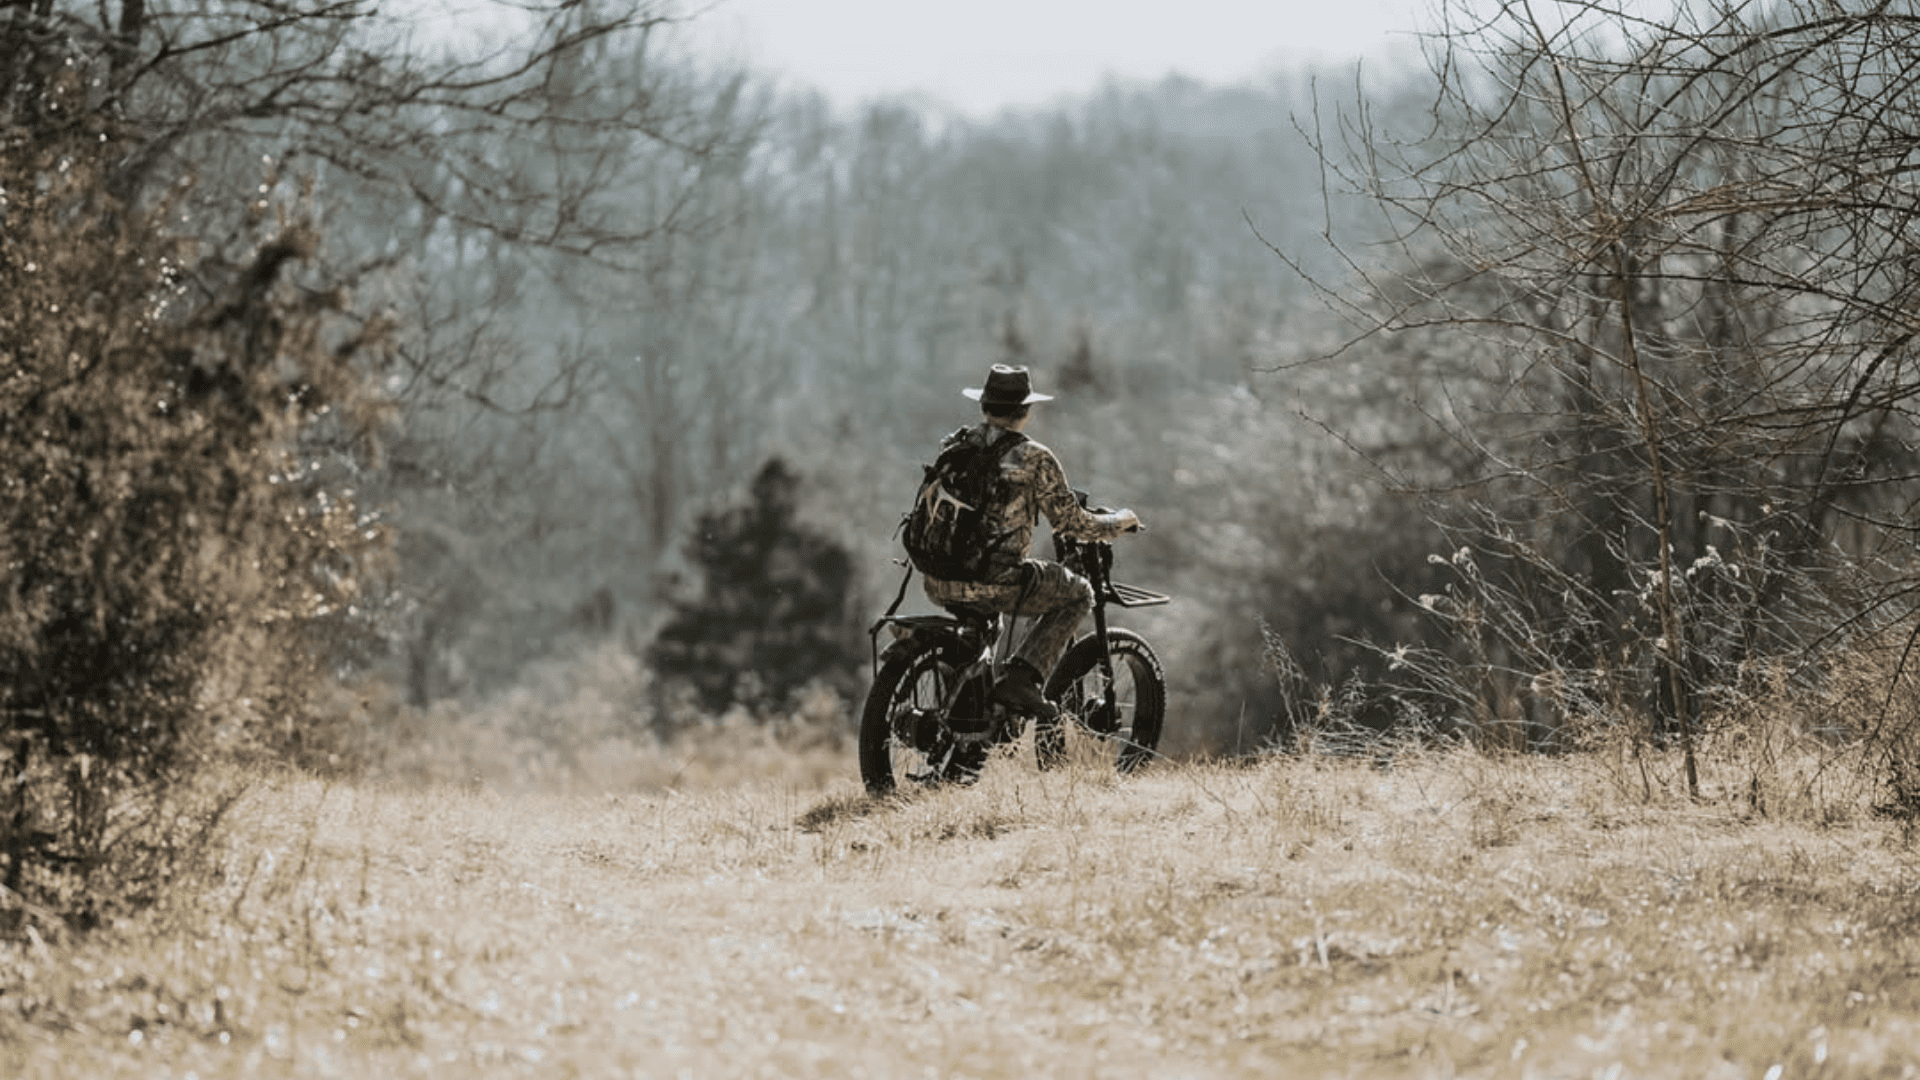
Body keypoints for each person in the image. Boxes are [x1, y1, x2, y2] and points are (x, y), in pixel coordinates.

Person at [922, 364, 1142, 716]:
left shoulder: (955, 445)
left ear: (984, 407)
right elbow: (1073, 524)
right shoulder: (1034, 458)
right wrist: (1119, 521)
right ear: (1026, 411)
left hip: (938, 580)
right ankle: (1021, 679)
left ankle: (971, 714)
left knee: (985, 624)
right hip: (997, 585)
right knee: (1080, 593)